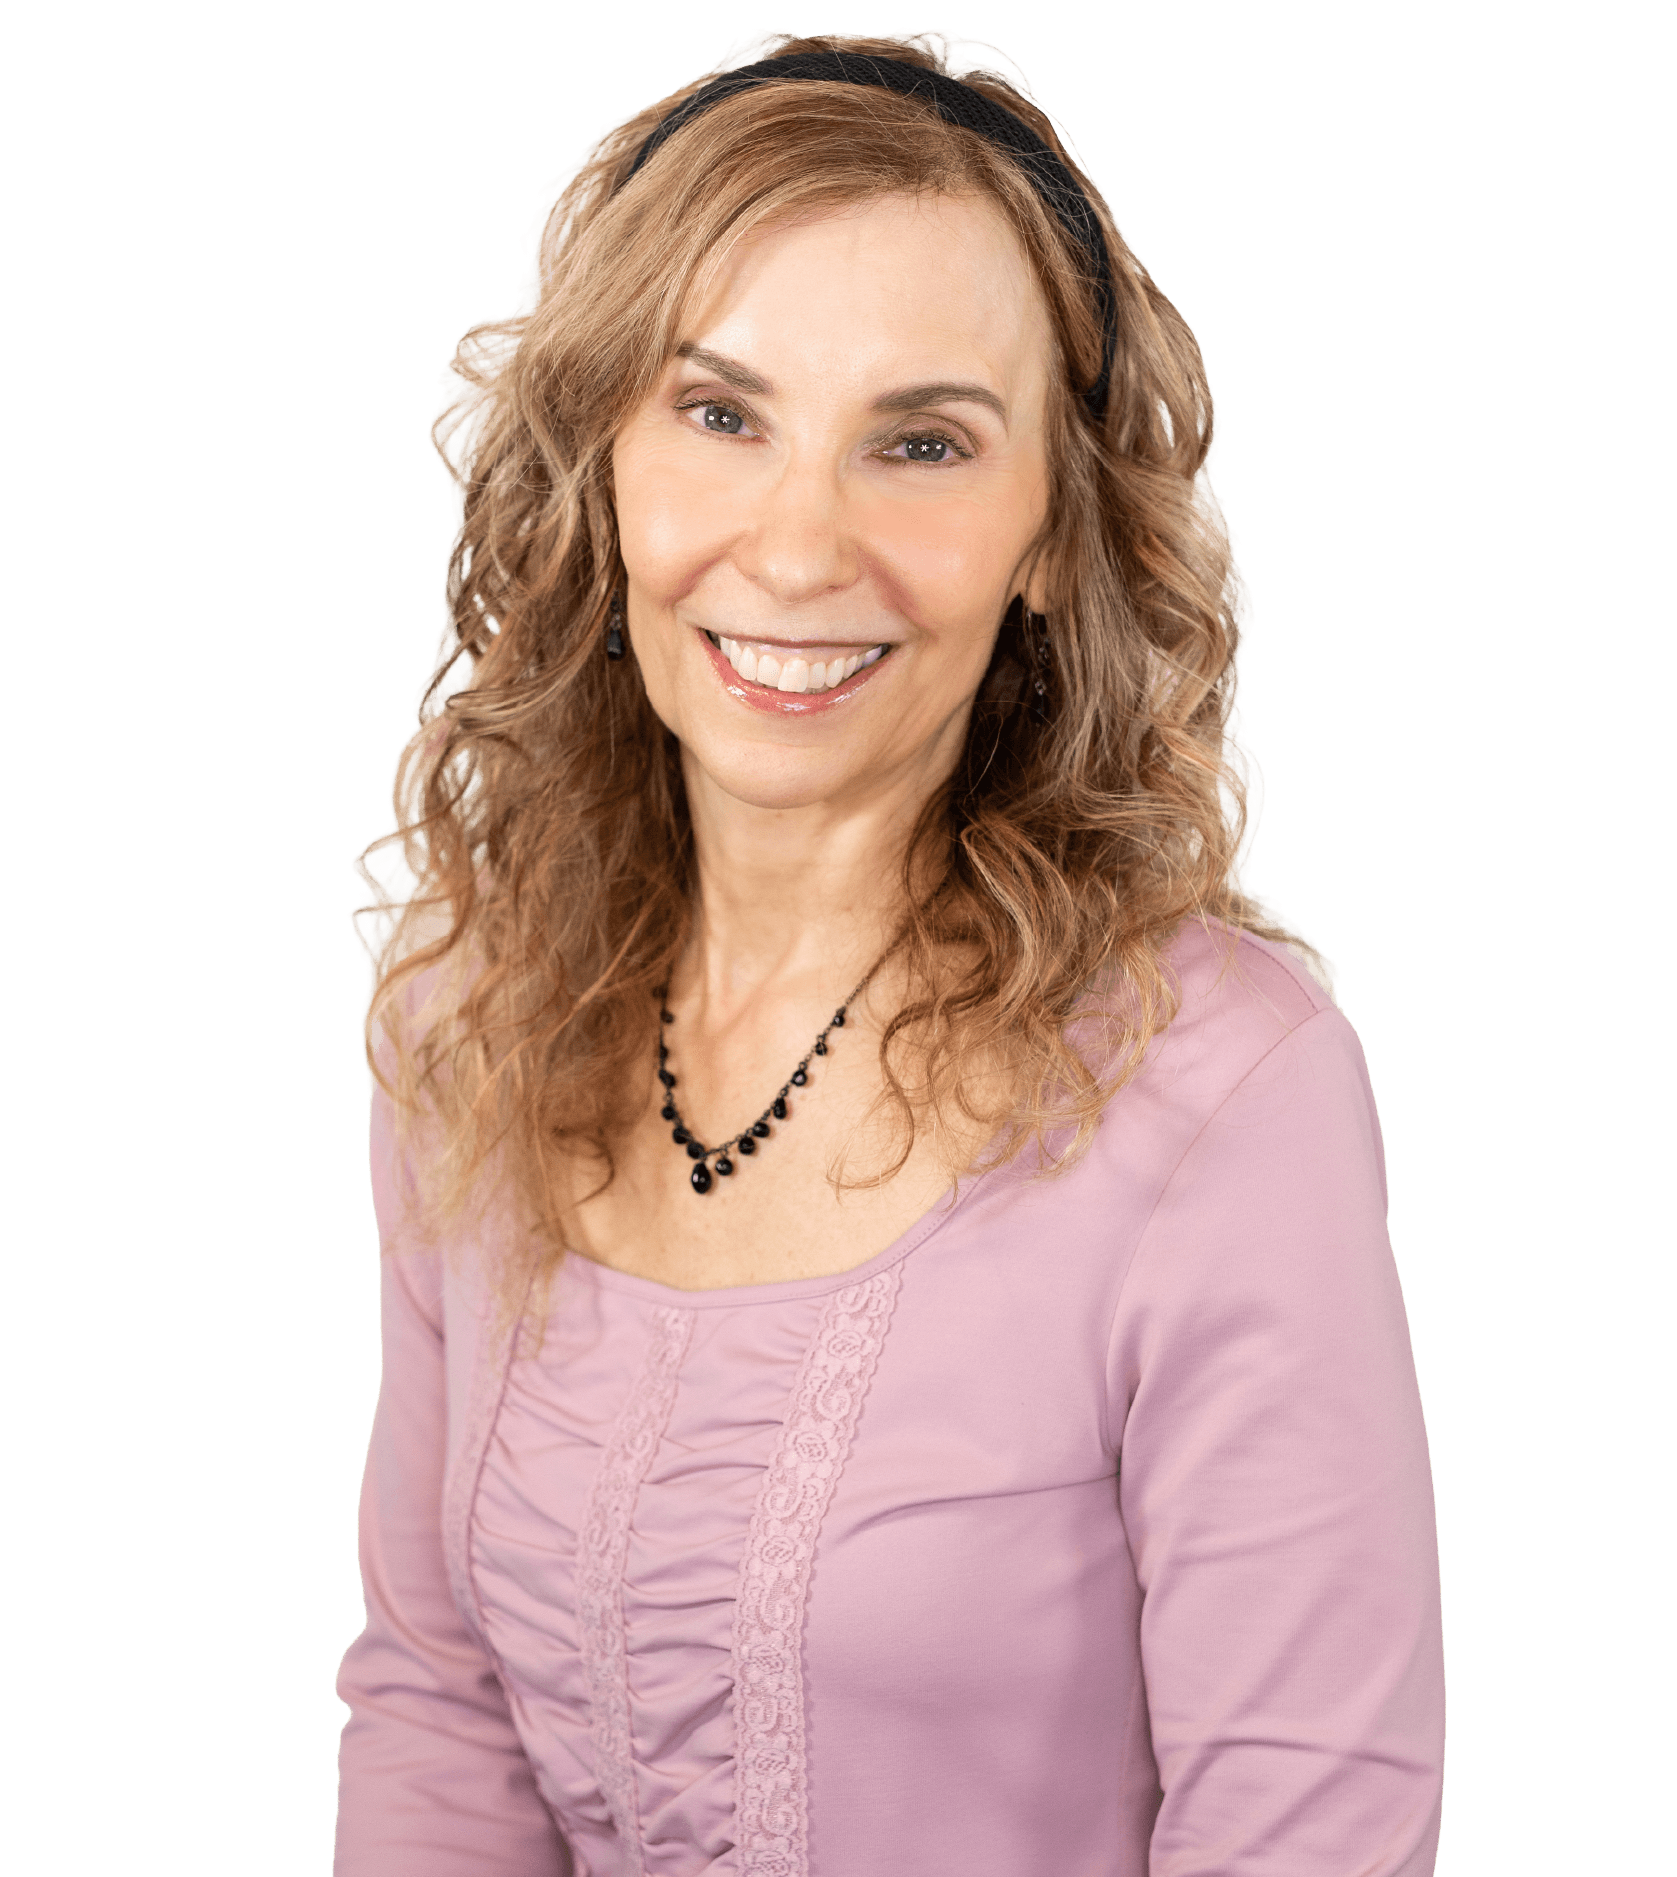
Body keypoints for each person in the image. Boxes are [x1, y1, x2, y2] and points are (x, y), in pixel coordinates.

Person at [336, 29, 1445, 1876]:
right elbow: (439, 1708)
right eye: (720, 413)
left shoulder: (1225, 1093)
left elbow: (1309, 1825)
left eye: (920, 443)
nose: (797, 548)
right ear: (601, 456)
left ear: (1046, 531)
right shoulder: (469, 1009)